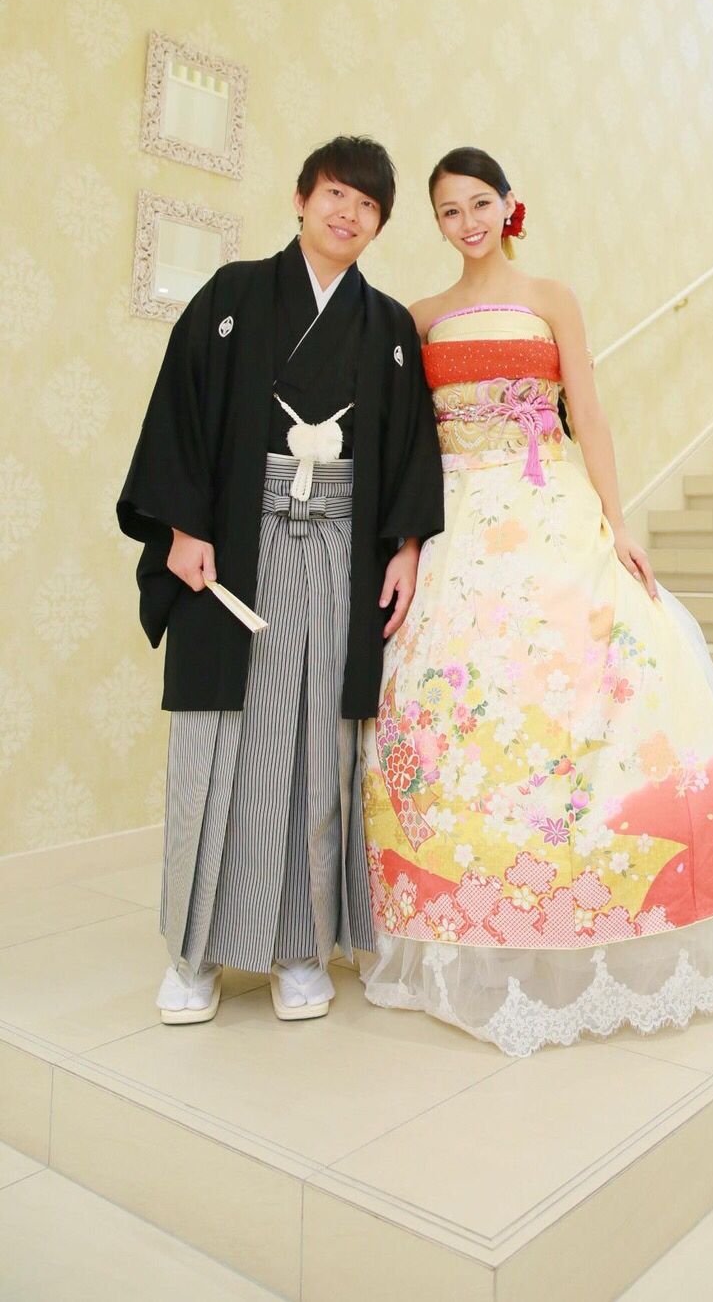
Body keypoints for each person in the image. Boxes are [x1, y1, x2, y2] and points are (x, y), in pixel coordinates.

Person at [361, 147, 713, 1055]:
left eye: (479, 203)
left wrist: (617, 523)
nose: (467, 223)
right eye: (448, 211)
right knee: (456, 710)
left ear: (508, 205)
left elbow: (587, 412)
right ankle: (466, 919)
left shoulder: (552, 298)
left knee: (587, 684)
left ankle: (592, 909)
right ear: (436, 224)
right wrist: (408, 545)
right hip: (457, 522)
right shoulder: (418, 318)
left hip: (549, 508)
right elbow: (406, 447)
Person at [119, 136, 443, 1024]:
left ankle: (303, 948)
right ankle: (194, 958)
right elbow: (180, 409)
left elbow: (411, 447)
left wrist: (406, 544)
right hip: (236, 541)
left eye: (367, 205)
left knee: (319, 746)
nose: (348, 213)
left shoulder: (387, 328)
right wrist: (183, 527)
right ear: (301, 198)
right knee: (217, 742)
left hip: (341, 547)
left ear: (379, 225)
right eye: (336, 193)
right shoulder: (231, 296)